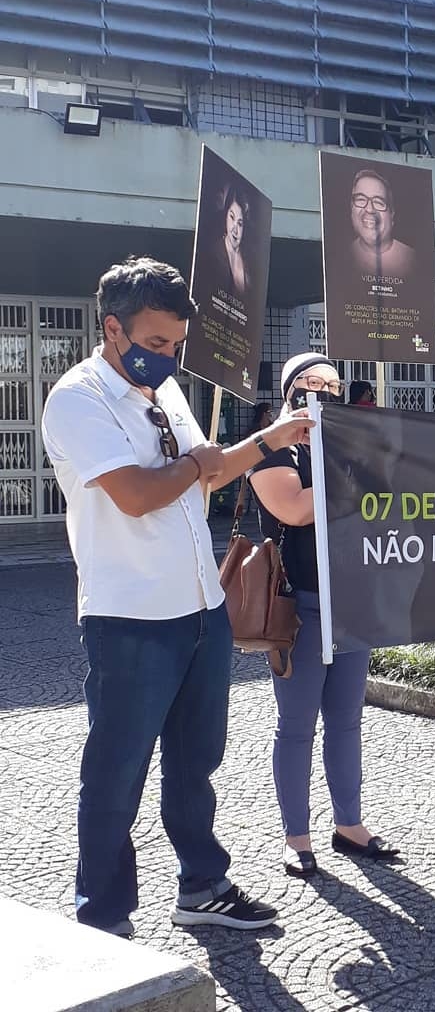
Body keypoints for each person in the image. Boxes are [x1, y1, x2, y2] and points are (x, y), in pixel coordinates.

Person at [40, 257, 311, 938]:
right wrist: (199, 463)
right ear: (112, 328)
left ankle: (203, 886)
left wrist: (269, 441)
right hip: (129, 616)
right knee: (117, 771)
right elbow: (137, 495)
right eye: (155, 344)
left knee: (197, 761)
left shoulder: (165, 392)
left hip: (200, 605)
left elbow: (208, 476)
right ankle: (103, 918)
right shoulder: (79, 398)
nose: (167, 357)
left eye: (176, 345)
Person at [248, 353, 398, 875]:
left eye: (332, 385)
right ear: (290, 393)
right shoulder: (272, 454)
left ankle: (349, 825)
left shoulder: (345, 448)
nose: (323, 392)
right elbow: (294, 508)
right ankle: (297, 836)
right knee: (296, 726)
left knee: (347, 722)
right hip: (301, 609)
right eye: (311, 384)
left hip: (352, 603)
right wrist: (354, 470)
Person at [348, 168, 416, 279]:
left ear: (391, 214)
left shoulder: (413, 260)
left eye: (378, 202)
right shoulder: (341, 257)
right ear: (351, 208)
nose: (369, 209)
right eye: (361, 199)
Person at [209, 183, 251, 299]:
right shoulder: (214, 254)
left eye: (240, 223)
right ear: (225, 215)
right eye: (232, 217)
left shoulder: (249, 259)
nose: (235, 229)